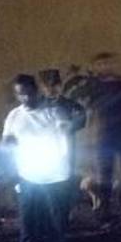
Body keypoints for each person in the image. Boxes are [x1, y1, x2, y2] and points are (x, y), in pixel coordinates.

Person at [2, 74, 76, 242]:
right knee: (28, 225)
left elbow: (65, 134)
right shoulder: (14, 117)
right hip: (28, 175)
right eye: (20, 94)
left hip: (55, 175)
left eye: (28, 92)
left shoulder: (54, 113)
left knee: (56, 223)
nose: (25, 97)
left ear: (36, 90)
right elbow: (8, 141)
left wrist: (65, 157)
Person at [88, 54, 121, 220]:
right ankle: (105, 207)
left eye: (107, 63)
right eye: (100, 64)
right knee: (105, 173)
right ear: (95, 67)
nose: (104, 67)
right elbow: (92, 110)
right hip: (104, 135)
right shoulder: (94, 86)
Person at [37, 69, 86, 229]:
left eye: (55, 85)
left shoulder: (70, 105)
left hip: (65, 152)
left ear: (60, 86)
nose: (51, 89)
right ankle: (46, 220)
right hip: (42, 153)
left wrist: (70, 125)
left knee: (65, 185)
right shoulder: (35, 106)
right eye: (48, 85)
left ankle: (63, 219)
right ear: (42, 87)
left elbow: (81, 118)